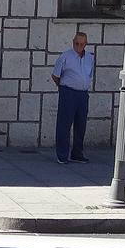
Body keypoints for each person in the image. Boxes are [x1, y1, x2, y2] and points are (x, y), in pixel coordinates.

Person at [49, 31, 95, 164]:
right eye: (76, 43)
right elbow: (55, 75)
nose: (79, 46)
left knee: (81, 124)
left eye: (82, 44)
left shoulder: (90, 58)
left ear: (86, 44)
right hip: (68, 92)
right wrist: (63, 88)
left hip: (82, 94)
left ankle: (77, 153)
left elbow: (89, 75)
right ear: (73, 42)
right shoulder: (65, 57)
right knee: (64, 124)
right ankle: (62, 154)